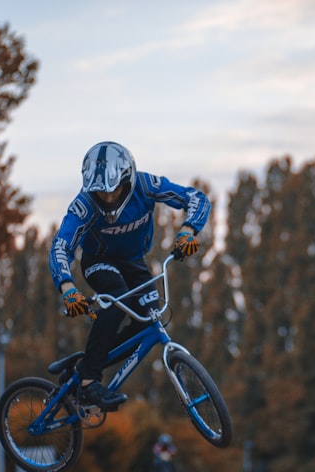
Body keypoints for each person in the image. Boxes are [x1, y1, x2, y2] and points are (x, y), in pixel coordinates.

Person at [49, 141, 210, 410]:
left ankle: (83, 367)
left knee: (149, 320)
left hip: (133, 261)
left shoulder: (146, 185)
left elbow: (196, 198)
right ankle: (89, 381)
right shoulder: (84, 205)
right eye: (101, 193)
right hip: (98, 262)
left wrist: (189, 230)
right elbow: (60, 245)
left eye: (114, 191)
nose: (109, 198)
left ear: (128, 179)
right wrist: (67, 286)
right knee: (115, 300)